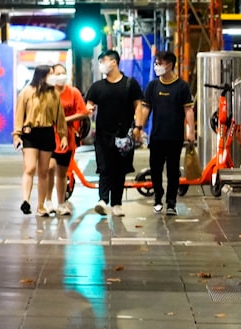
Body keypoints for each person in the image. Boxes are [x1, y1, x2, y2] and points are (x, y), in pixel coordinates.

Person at [133, 50, 196, 215]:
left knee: (173, 171)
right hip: (157, 136)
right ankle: (157, 198)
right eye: (156, 62)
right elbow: (146, 108)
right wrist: (139, 127)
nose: (157, 66)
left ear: (169, 65)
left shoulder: (182, 86)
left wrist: (191, 131)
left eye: (160, 63)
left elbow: (188, 110)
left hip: (175, 137)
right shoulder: (153, 86)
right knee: (155, 169)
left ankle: (171, 202)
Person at [85, 49, 144, 217]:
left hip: (124, 134)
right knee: (104, 168)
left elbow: (138, 106)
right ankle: (103, 200)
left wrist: (138, 127)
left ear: (114, 62)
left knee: (120, 169)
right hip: (103, 134)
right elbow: (88, 105)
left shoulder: (130, 84)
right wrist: (88, 109)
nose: (102, 65)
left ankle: (117, 203)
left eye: (103, 61)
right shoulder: (97, 87)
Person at [12, 65, 68, 216]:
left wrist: (63, 135)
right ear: (41, 76)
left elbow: (60, 116)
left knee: (43, 171)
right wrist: (17, 135)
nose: (53, 77)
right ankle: (26, 200)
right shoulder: (26, 92)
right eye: (50, 74)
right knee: (29, 168)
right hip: (30, 133)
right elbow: (19, 115)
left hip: (47, 133)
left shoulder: (54, 94)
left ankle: (41, 206)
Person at [40, 63, 89, 217]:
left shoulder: (73, 93)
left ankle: (61, 203)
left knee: (62, 172)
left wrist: (65, 119)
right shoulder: (47, 92)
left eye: (63, 73)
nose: (61, 76)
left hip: (67, 138)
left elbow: (83, 112)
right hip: (49, 136)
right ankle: (47, 201)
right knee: (49, 168)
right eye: (57, 73)